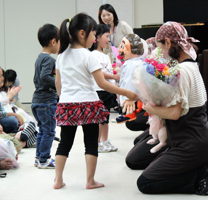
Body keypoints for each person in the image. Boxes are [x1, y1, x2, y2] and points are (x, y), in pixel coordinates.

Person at [53, 13, 138, 190]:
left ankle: (58, 180)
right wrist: (127, 93)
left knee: (65, 142)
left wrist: (64, 100)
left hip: (67, 104)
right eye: (93, 34)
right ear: (82, 33)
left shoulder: (61, 56)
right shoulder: (88, 55)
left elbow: (58, 84)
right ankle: (90, 181)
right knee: (90, 143)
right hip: (88, 103)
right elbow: (103, 84)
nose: (94, 38)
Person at [131, 22, 208, 195]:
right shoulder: (192, 65)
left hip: (191, 145)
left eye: (160, 47)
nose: (159, 53)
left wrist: (149, 108)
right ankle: (199, 167)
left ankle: (199, 176)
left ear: (168, 43)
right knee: (140, 161)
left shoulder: (181, 71)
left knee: (145, 183)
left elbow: (175, 113)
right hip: (195, 141)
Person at [32, 23, 60, 169]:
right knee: (49, 131)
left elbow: (37, 78)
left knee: (42, 130)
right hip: (46, 102)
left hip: (37, 101)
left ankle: (39, 157)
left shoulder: (39, 58)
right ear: (53, 41)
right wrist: (58, 82)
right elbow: (44, 77)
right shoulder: (49, 59)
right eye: (59, 41)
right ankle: (44, 159)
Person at [90, 24, 120, 153]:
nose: (109, 39)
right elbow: (100, 73)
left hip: (107, 90)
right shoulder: (94, 55)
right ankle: (97, 143)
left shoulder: (104, 55)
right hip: (99, 90)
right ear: (97, 37)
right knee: (99, 119)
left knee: (105, 118)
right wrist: (114, 75)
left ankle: (105, 141)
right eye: (107, 36)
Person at [116, 34, 144, 123]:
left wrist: (128, 98)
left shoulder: (131, 65)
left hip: (133, 97)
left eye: (123, 46)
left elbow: (129, 82)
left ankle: (129, 114)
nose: (120, 50)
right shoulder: (137, 62)